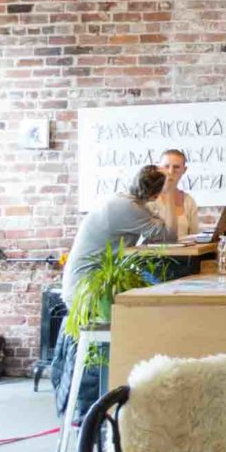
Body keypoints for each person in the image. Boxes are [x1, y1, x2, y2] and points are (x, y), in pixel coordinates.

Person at [53, 166, 174, 423]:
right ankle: (91, 414)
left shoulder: (124, 202)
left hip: (91, 286)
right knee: (132, 326)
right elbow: (167, 234)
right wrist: (169, 200)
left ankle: (103, 410)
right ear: (155, 193)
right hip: (86, 291)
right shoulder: (128, 208)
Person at [147, 148, 200, 239]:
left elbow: (195, 236)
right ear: (159, 169)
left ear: (184, 170)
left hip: (185, 252)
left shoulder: (188, 201)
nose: (170, 172)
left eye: (176, 167)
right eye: (166, 166)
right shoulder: (149, 199)